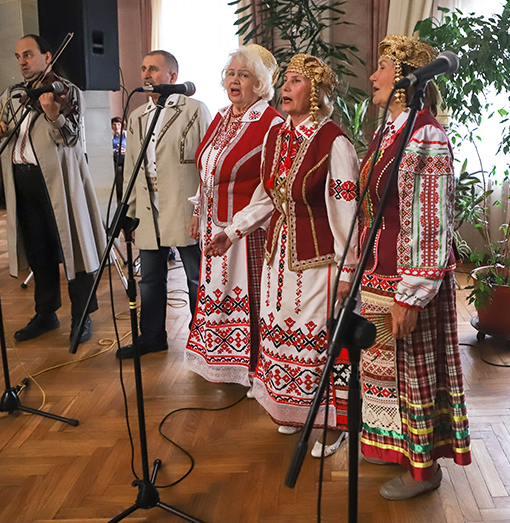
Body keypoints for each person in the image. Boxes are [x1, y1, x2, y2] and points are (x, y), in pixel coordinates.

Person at [206, 54, 358, 458]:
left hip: (320, 261)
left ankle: (331, 424)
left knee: (317, 341)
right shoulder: (277, 136)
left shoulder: (333, 142)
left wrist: (348, 269)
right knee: (279, 333)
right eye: (285, 80)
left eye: (294, 82)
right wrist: (230, 232)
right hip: (278, 256)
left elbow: (346, 210)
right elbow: (265, 199)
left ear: (316, 93)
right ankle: (294, 413)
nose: (285, 88)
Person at [357, 34, 471, 500]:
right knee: (387, 375)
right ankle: (391, 446)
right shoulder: (391, 132)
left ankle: (425, 470)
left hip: (406, 280)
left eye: (383, 66)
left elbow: (429, 220)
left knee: (412, 377)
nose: (373, 76)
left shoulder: (425, 134)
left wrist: (412, 294)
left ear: (406, 77)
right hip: (380, 275)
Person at [0, 34, 105, 346]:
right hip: (22, 183)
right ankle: (46, 313)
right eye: (18, 56)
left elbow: (71, 138)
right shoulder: (13, 93)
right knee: (38, 252)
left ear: (47, 56)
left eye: (29, 54)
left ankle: (82, 315)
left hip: (60, 186)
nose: (22, 61)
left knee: (73, 249)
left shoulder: (66, 91)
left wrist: (53, 115)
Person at [185, 45, 283, 388]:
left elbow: (270, 185)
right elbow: (207, 167)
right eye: (231, 73)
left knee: (250, 298)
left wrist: (239, 225)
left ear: (262, 84)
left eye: (244, 74)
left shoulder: (272, 123)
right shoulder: (223, 115)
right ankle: (222, 360)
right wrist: (199, 210)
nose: (234, 80)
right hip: (214, 223)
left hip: (248, 230)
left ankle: (255, 370)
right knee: (217, 293)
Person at [117, 50, 211, 359]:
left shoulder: (194, 110)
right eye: (143, 68)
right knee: (151, 277)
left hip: (184, 207)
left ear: (172, 75)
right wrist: (128, 212)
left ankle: (204, 341)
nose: (146, 74)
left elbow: (208, 165)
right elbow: (131, 167)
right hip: (148, 207)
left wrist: (202, 209)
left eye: (154, 69)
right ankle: (152, 336)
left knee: (195, 276)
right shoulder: (137, 117)